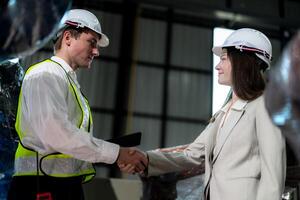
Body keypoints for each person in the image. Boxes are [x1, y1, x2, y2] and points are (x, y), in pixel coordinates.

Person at [119, 28, 286, 200]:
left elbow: (273, 176)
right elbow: (192, 154)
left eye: (223, 59)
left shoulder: (265, 107)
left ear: (243, 60)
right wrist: (146, 159)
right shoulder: (224, 112)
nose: (217, 66)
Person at [7, 9, 147, 200]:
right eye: (92, 42)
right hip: (40, 186)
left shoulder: (66, 80)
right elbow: (56, 134)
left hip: (65, 185)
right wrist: (116, 154)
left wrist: (116, 154)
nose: (96, 52)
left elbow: (70, 141)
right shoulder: (45, 74)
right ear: (68, 37)